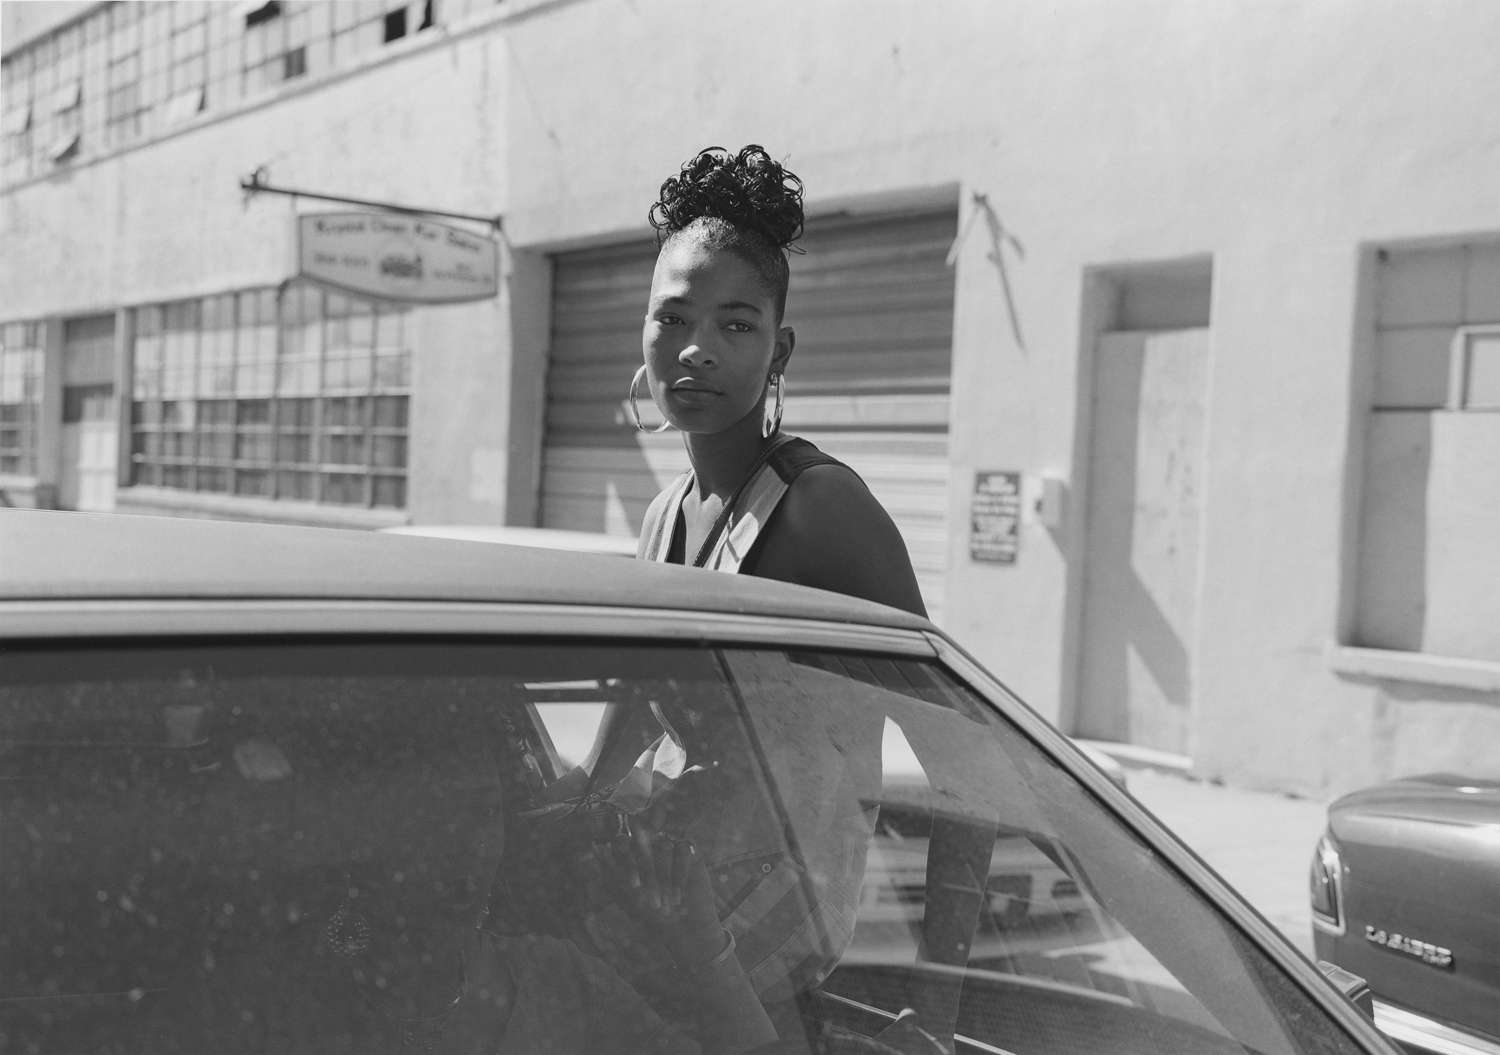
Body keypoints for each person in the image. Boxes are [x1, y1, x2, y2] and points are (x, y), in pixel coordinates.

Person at [633, 143, 927, 619]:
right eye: (672, 318)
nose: (695, 350)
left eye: (737, 325)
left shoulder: (820, 504)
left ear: (780, 353)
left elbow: (918, 668)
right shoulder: (661, 518)